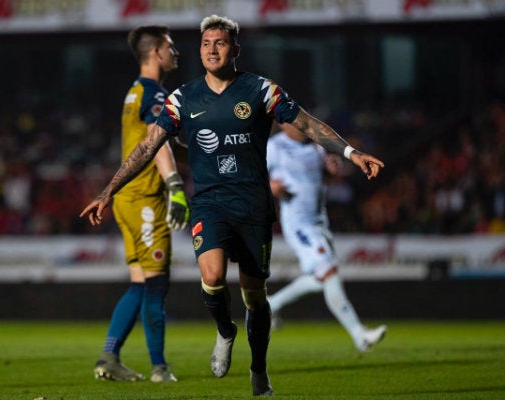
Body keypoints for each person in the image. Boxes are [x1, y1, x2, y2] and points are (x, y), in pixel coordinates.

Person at [80, 15, 384, 396]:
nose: (211, 49)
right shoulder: (182, 98)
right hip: (210, 204)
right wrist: (108, 190)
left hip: (254, 206)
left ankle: (259, 369)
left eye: (220, 43)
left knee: (255, 297)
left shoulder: (260, 90)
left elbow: (307, 125)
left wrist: (352, 152)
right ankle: (225, 331)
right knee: (212, 275)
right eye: (206, 43)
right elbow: (147, 146)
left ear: (234, 49)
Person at [90, 25, 188, 384]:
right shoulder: (153, 92)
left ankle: (110, 357)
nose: (175, 52)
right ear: (155, 53)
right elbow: (156, 139)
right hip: (145, 199)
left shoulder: (135, 91)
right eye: (170, 46)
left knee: (141, 285)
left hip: (128, 200)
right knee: (158, 284)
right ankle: (160, 368)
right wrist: (174, 185)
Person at [267, 122, 387, 352]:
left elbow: (321, 178)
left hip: (319, 222)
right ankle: (360, 335)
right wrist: (270, 187)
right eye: (293, 122)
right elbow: (253, 179)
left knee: (321, 277)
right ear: (283, 126)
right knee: (328, 271)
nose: (300, 125)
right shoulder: (274, 147)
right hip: (299, 224)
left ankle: (271, 304)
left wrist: (331, 170)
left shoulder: (316, 148)